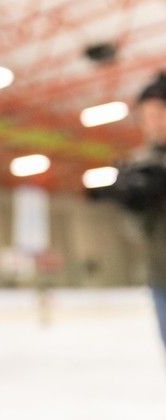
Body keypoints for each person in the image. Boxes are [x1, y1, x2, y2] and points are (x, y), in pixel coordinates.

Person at [107, 72, 166, 351]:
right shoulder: (140, 163)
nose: (154, 123)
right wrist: (132, 202)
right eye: (147, 116)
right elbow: (136, 232)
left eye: (160, 113)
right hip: (161, 277)